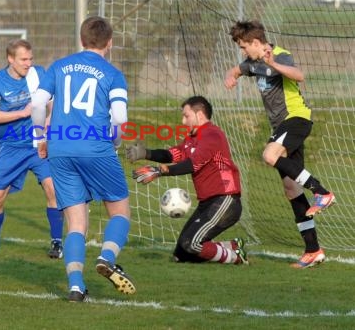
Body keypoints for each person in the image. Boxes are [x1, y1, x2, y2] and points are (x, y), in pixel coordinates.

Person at [31, 16, 135, 302]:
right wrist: (114, 140)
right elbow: (120, 117)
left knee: (76, 224)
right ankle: (107, 257)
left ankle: (76, 286)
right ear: (109, 43)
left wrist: (40, 136)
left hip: (60, 148)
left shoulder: (58, 66)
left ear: (81, 39)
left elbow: (38, 103)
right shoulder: (113, 74)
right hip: (96, 147)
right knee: (120, 212)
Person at [224, 20, 335, 268]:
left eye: (244, 47)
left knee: (269, 154)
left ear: (255, 43)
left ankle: (322, 192)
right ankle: (313, 250)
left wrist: (272, 63)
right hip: (281, 126)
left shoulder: (280, 55)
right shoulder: (252, 63)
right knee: (291, 188)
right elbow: (236, 70)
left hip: (296, 118)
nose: (243, 52)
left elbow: (300, 75)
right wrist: (230, 76)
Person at [0, 39, 64, 259]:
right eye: (23, 59)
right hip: (10, 148)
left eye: (30, 58)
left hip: (38, 145)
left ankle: (57, 242)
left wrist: (48, 123)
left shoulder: (38, 74)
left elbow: (52, 103)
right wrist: (22, 113)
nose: (28, 63)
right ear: (10, 59)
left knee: (52, 190)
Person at [128, 96, 248, 265]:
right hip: (207, 203)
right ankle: (232, 246)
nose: (183, 121)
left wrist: (159, 171)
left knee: (191, 244)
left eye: (186, 115)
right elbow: (172, 154)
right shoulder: (192, 139)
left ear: (199, 115)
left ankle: (236, 258)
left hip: (225, 201)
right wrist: (146, 153)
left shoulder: (213, 135)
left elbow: (193, 164)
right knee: (181, 253)